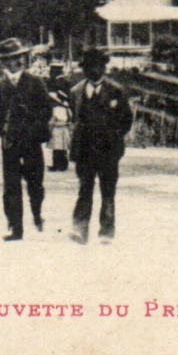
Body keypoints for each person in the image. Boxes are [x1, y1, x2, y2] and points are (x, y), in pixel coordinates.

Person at [69, 49, 133, 243]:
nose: (93, 71)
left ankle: (106, 231)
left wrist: (114, 136)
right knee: (84, 188)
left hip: (108, 150)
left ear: (103, 68)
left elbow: (127, 119)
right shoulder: (77, 92)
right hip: (85, 150)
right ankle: (80, 228)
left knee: (108, 191)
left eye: (97, 67)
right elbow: (76, 119)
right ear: (85, 70)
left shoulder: (116, 91)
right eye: (89, 67)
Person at [0, 41, 53, 241]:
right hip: (10, 143)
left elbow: (46, 110)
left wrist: (34, 126)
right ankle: (15, 227)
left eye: (17, 58)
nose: (14, 62)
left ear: (22, 59)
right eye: (9, 59)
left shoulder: (35, 82)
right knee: (11, 186)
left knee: (35, 183)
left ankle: (36, 213)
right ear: (4, 62)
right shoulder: (0, 86)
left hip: (31, 142)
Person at [48, 91, 73, 172]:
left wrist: (49, 129)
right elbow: (71, 119)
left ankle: (56, 165)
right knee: (63, 149)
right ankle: (63, 165)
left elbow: (52, 121)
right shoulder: (68, 109)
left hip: (57, 130)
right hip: (65, 129)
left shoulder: (56, 109)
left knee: (56, 149)